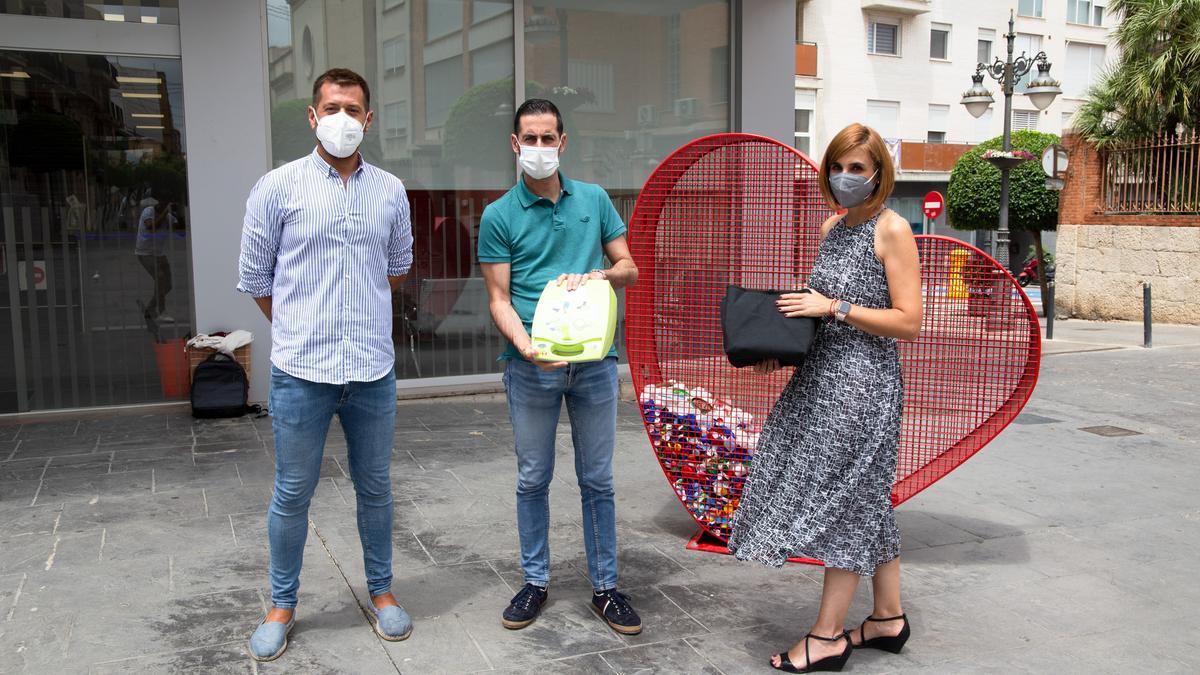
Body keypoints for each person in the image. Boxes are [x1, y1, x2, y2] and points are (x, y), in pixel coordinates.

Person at [726, 123, 923, 673]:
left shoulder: (893, 229)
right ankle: (887, 618)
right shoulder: (830, 226)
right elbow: (814, 310)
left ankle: (828, 635)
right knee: (863, 493)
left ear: (878, 173)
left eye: (857, 168)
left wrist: (834, 308)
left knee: (847, 499)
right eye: (837, 166)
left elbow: (909, 322)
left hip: (863, 384)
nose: (845, 177)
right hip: (819, 376)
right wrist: (780, 349)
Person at [237, 67, 415, 662]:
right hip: (300, 374)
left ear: (369, 119)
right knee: (292, 493)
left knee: (377, 489)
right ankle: (282, 605)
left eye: (353, 109)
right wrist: (299, 327)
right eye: (332, 107)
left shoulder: (390, 190)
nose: (343, 118)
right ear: (313, 117)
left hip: (371, 370)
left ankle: (382, 592)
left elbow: (395, 270)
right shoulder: (276, 187)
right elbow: (259, 281)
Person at [478, 98, 643, 635]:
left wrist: (601, 277)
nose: (540, 148)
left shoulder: (593, 200)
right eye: (531, 139)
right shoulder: (499, 215)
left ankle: (606, 589)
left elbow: (629, 266)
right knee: (533, 478)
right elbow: (499, 298)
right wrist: (528, 349)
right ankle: (535, 582)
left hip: (594, 363)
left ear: (563, 143)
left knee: (597, 479)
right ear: (515, 144)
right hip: (531, 367)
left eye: (549, 138)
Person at [135, 194, 176, 323]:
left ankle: (150, 309)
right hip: (145, 253)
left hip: (159, 253)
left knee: (167, 285)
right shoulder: (148, 212)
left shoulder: (168, 217)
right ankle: (162, 312)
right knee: (160, 277)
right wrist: (165, 213)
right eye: (162, 204)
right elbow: (151, 227)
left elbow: (179, 227)